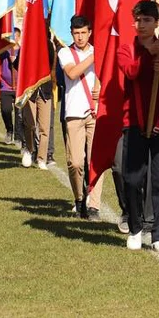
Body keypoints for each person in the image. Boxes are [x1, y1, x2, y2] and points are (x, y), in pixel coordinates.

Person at [118, 0, 159, 253]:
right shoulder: (126, 49)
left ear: (157, 22)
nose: (141, 25)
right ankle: (135, 227)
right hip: (134, 124)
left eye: (147, 20)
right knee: (132, 179)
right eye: (138, 20)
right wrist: (148, 55)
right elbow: (130, 72)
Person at [56, 16, 97, 218]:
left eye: (83, 32)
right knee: (75, 162)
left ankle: (94, 205)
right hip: (73, 113)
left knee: (95, 160)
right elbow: (72, 74)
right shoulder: (65, 52)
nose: (80, 37)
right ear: (72, 33)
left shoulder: (98, 50)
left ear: (90, 32)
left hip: (95, 113)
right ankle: (79, 197)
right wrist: (93, 58)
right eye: (76, 33)